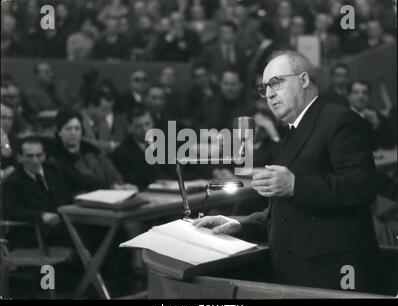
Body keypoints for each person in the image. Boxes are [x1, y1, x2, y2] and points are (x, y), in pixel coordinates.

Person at [194, 50, 379, 293]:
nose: (269, 93)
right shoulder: (293, 130)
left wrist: (294, 185)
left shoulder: (339, 119)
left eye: (276, 83)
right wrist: (238, 223)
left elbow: (362, 185)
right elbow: (285, 212)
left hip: (332, 274)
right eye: (264, 88)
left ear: (303, 80)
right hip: (295, 272)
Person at [2, 137, 74, 249]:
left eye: (38, 155)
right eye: (29, 156)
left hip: (62, 227)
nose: (35, 160)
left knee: (100, 231)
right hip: (34, 234)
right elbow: (12, 211)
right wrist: (41, 215)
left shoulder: (54, 169)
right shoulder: (13, 182)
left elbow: (84, 181)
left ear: (44, 156)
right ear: (20, 158)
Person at [50, 109, 135, 191]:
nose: (73, 133)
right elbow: (83, 183)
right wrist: (112, 187)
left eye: (77, 128)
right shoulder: (56, 160)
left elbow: (114, 174)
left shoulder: (93, 150)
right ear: (59, 132)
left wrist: (120, 187)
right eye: (68, 129)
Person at [112, 108, 174, 189]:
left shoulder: (163, 144)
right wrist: (156, 184)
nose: (144, 129)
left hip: (171, 190)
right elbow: (132, 182)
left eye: (147, 124)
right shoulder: (122, 152)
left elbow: (173, 171)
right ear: (130, 128)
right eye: (139, 126)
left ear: (153, 124)